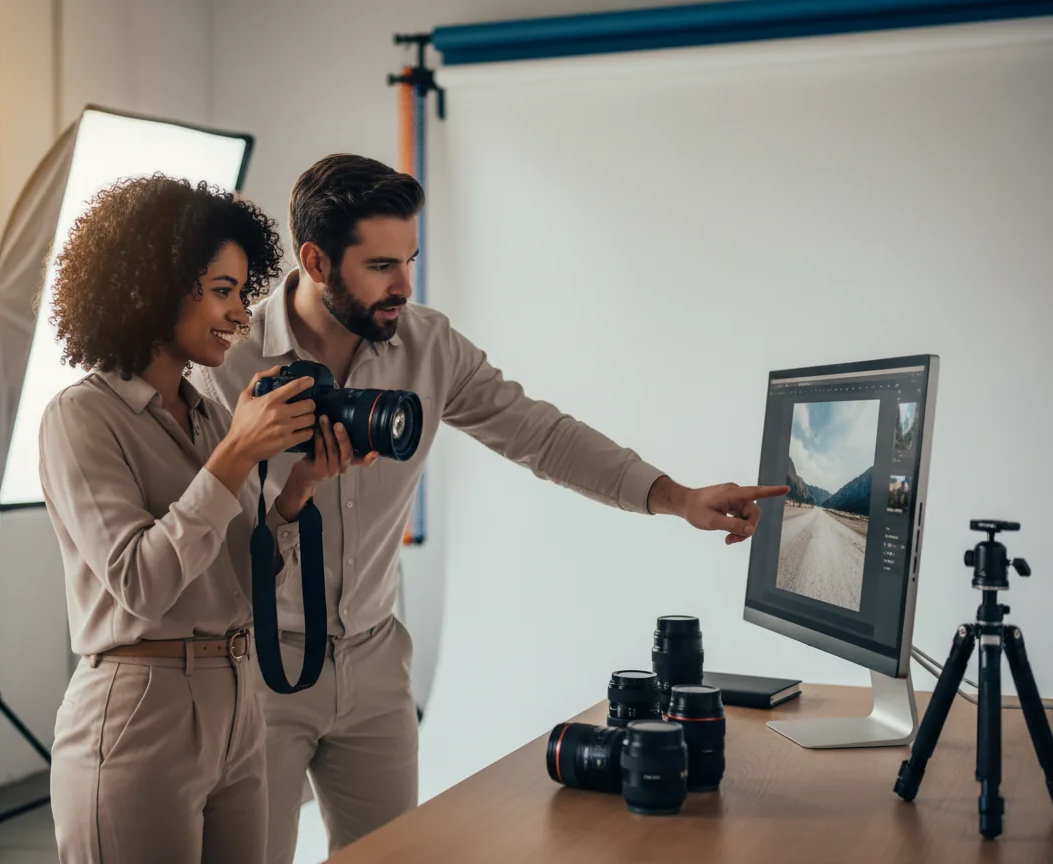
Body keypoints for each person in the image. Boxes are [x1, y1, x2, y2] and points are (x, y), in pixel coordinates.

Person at [194, 154, 790, 863]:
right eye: (381, 265)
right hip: (260, 665)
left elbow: (541, 434)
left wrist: (678, 498)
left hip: (377, 665)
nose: (403, 286)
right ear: (317, 261)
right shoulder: (222, 362)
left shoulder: (427, 344)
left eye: (410, 260)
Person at [38, 173, 329, 863]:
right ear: (150, 288)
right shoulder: (80, 418)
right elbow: (139, 582)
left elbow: (234, 573)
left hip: (237, 700)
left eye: (242, 292)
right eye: (221, 291)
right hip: (140, 709)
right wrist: (234, 455)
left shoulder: (207, 414)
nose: (240, 315)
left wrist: (297, 493)